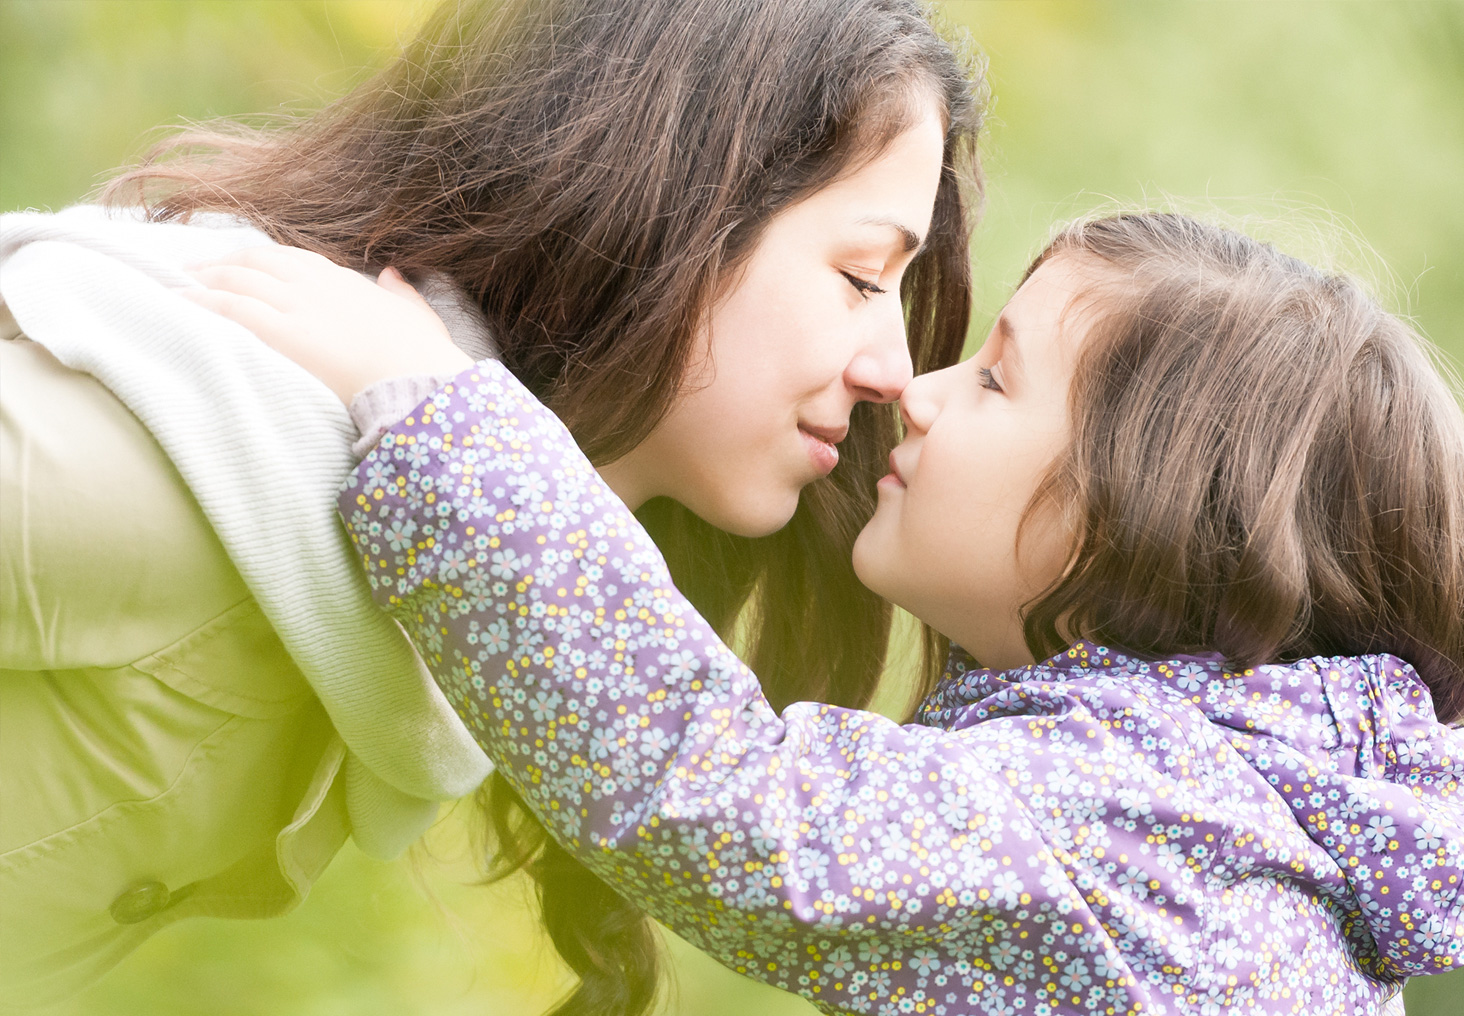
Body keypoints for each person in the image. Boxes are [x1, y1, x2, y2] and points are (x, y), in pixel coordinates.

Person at [203, 211, 1464, 1014]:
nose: (920, 388)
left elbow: (719, 798)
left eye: (1001, 381)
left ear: (1132, 515)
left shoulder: (1132, 826)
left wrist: (432, 409)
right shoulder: (1224, 809)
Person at [0, 0, 982, 1007]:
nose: (895, 370)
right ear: (658, 206)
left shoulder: (451, 593)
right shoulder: (216, 455)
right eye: (864, 276)